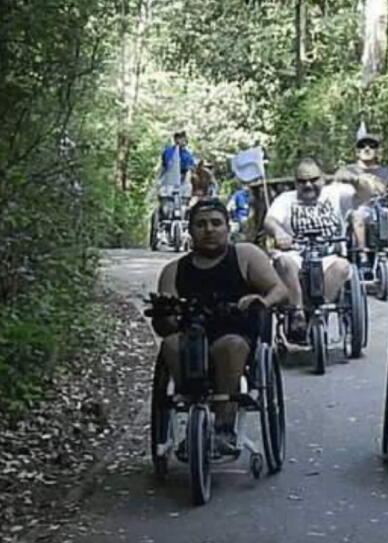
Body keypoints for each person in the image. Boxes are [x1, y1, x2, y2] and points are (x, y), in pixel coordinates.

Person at [152, 200, 288, 453]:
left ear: (227, 227)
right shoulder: (174, 270)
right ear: (190, 230)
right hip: (192, 335)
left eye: (216, 223)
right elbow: (164, 327)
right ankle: (193, 410)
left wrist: (262, 301)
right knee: (170, 344)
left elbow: (279, 290)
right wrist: (165, 312)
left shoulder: (245, 256)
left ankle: (224, 426)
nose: (209, 230)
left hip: (236, 333)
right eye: (201, 224)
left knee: (230, 346)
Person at [263, 159, 354, 342]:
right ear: (295, 182)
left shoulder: (336, 194)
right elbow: (270, 221)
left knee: (342, 266)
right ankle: (298, 313)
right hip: (295, 254)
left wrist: (356, 180)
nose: (308, 185)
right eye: (302, 181)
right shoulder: (285, 199)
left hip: (328, 255)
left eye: (313, 180)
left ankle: (319, 313)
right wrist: (279, 232)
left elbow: (367, 194)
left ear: (323, 178)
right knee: (283, 262)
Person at [340, 130, 388, 256]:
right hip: (355, 209)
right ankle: (361, 252)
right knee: (359, 215)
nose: (367, 149)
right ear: (357, 152)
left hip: (381, 210)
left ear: (377, 151)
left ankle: (386, 252)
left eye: (372, 146)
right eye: (362, 146)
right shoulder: (347, 171)